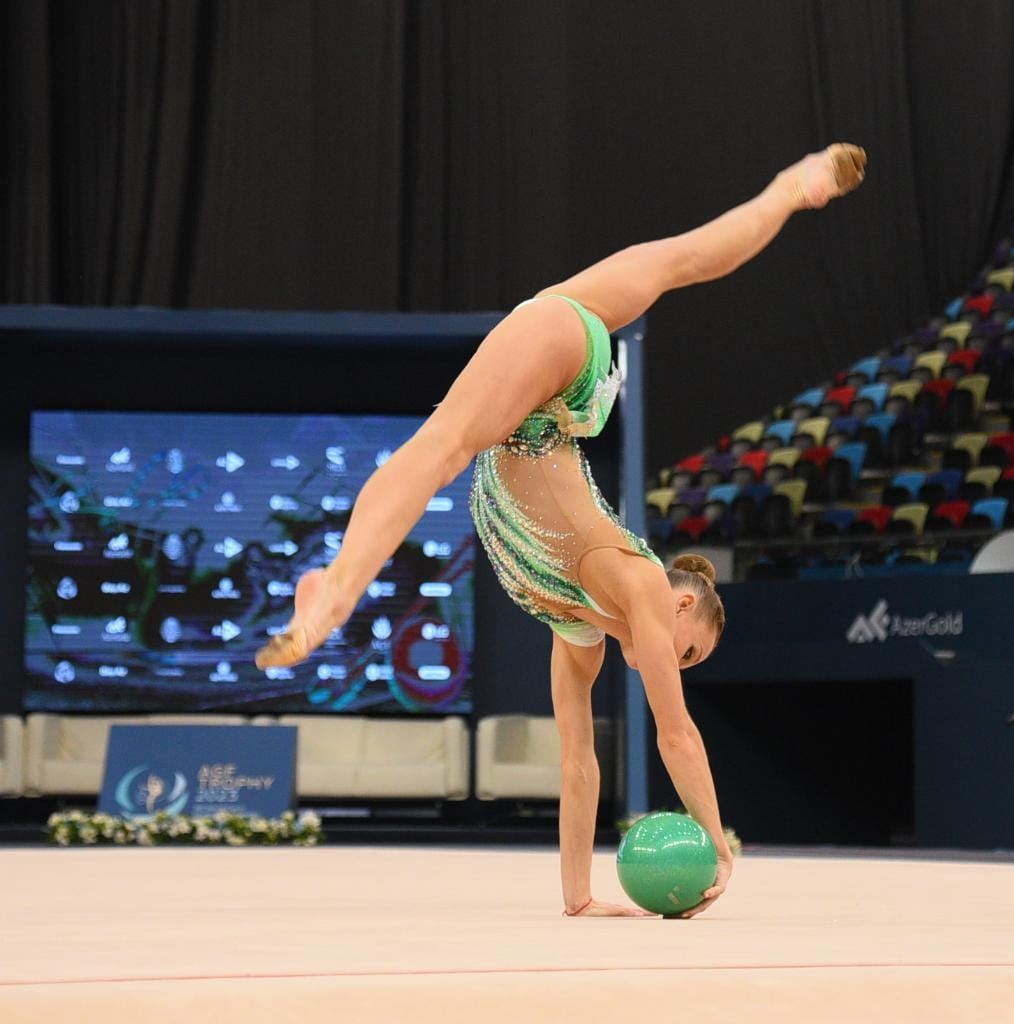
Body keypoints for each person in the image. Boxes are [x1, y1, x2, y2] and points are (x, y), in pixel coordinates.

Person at [255, 143, 869, 915]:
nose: (667, 665)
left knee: (679, 265)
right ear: (682, 608)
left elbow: (579, 765)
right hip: (561, 368)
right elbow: (676, 737)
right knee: (445, 443)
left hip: (542, 409)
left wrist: (580, 897)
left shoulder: (579, 627)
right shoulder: (643, 587)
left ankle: (793, 187)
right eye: (686, 652)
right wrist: (717, 837)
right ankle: (337, 590)